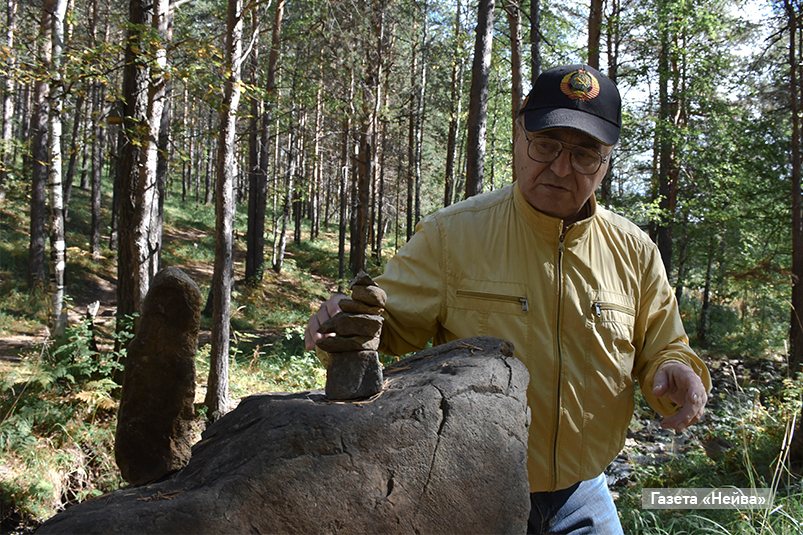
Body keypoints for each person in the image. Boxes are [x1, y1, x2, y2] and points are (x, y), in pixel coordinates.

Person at [306, 64, 711, 534]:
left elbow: (663, 346)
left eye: (584, 154)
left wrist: (675, 370)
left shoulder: (635, 251)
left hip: (583, 492)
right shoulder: (451, 236)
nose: (561, 168)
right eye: (546, 146)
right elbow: (389, 325)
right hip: (471, 488)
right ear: (519, 137)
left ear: (606, 161)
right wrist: (351, 321)